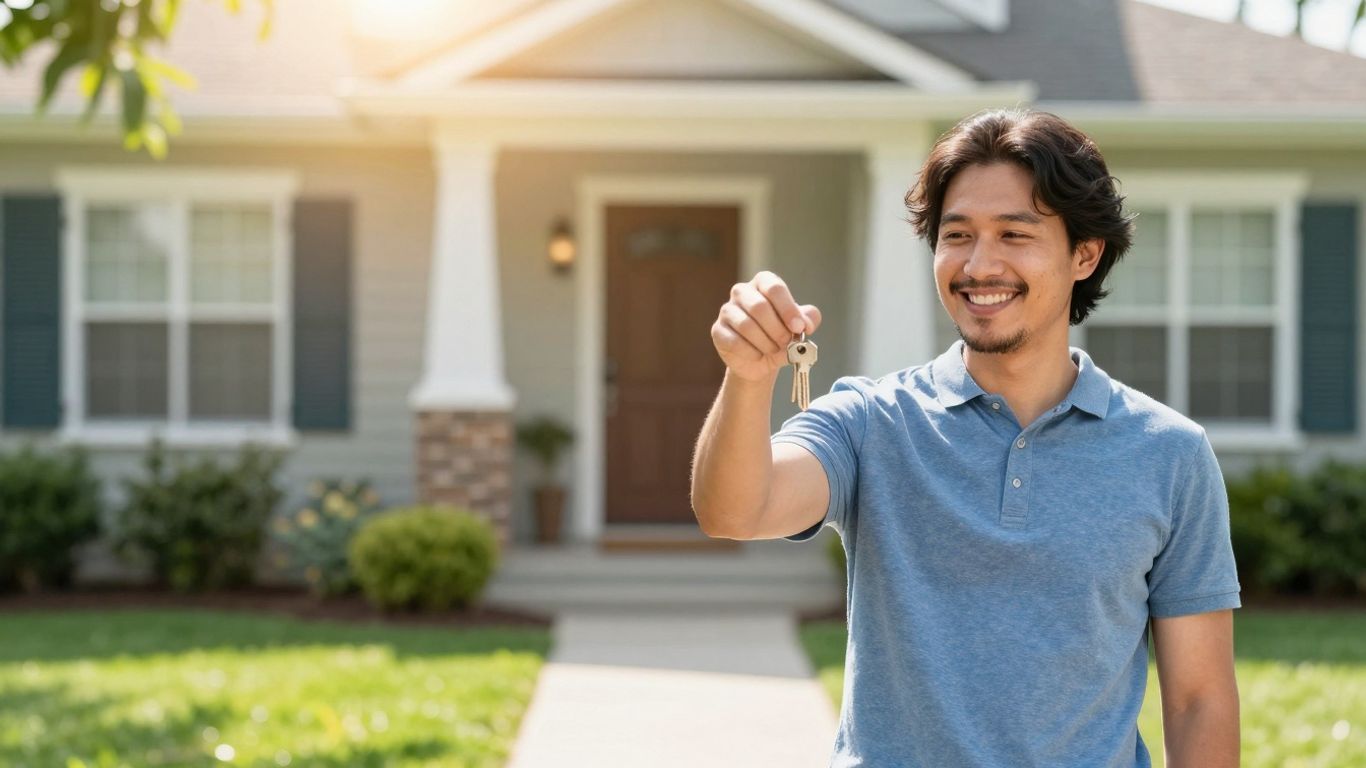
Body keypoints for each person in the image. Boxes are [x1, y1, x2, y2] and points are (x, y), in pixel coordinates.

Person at [690, 107, 1241, 767]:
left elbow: (1198, 699)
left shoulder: (1169, 454)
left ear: (1084, 255)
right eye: (958, 235)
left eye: (1015, 233)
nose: (980, 265)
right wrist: (748, 379)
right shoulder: (872, 420)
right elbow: (733, 510)